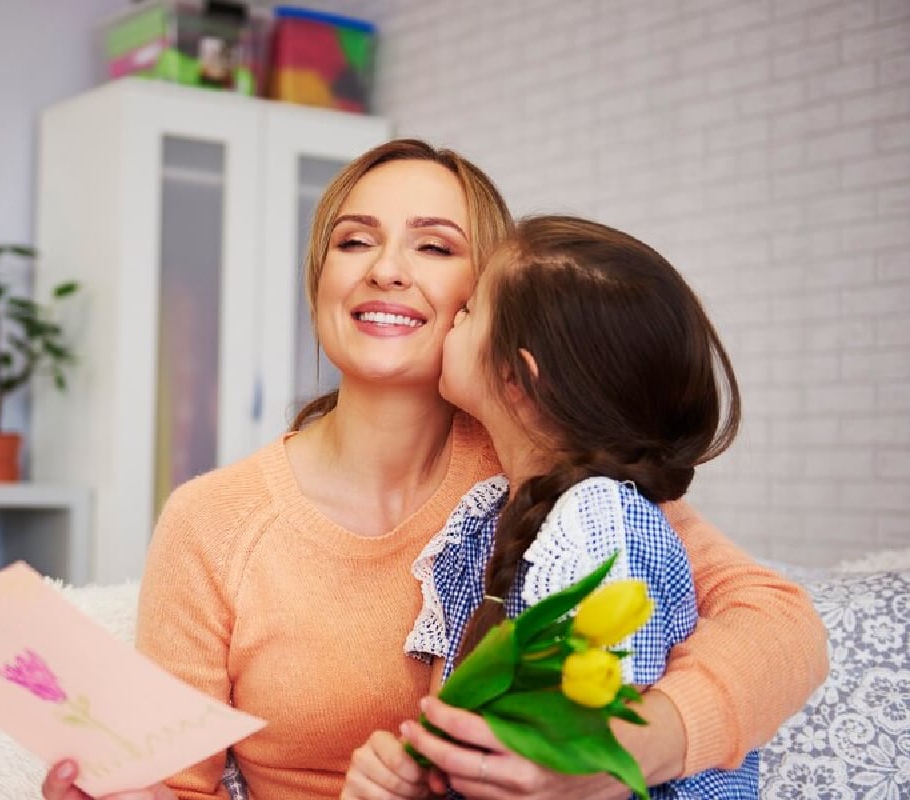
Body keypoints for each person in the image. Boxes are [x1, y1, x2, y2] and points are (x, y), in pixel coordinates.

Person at [41, 140, 828, 800]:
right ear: (319, 281)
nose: (385, 268)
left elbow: (782, 625)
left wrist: (606, 763)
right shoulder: (212, 518)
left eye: (434, 245)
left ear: (486, 297)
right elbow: (178, 785)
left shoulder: (553, 476)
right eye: (354, 241)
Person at [344, 215, 758, 799]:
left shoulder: (600, 523)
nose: (453, 318)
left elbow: (576, 760)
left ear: (517, 376)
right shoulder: (491, 512)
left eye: (469, 313)